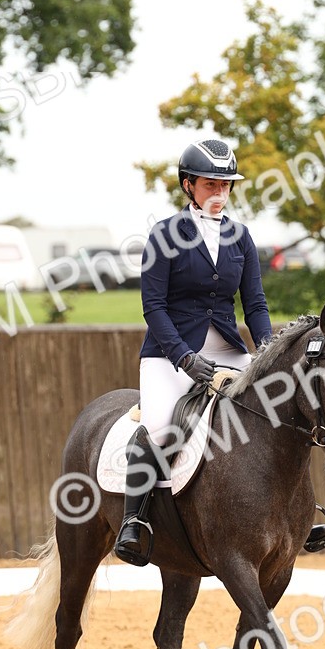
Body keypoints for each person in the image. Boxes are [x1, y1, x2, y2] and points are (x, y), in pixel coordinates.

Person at [114, 137, 273, 565]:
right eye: (210, 185)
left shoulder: (241, 238)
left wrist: (268, 350)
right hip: (170, 354)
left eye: (226, 186)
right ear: (188, 186)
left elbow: (254, 304)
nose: (219, 194)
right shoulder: (165, 235)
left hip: (226, 346)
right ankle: (135, 520)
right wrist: (184, 358)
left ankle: (292, 513)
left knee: (276, 413)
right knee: (163, 426)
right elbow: (154, 307)